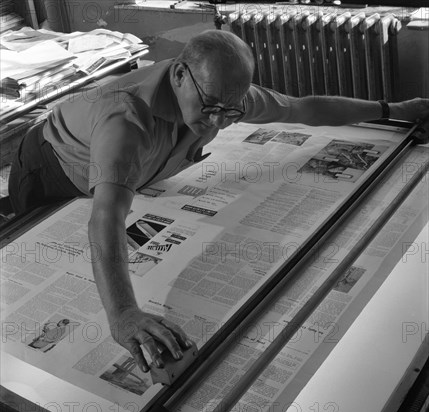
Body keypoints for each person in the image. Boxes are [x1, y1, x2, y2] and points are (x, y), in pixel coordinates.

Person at [8, 30, 429, 373]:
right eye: (210, 108)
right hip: (52, 169)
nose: (218, 121)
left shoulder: (223, 96)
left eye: (230, 111)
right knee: (23, 243)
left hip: (132, 171)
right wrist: (123, 314)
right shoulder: (125, 119)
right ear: (178, 76)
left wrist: (394, 108)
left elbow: (304, 108)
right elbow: (106, 217)